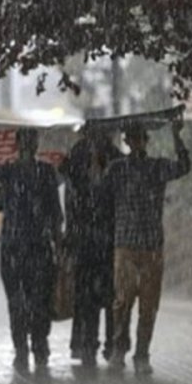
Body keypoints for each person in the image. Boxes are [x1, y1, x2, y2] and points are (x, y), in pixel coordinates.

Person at [0, 128, 63, 373]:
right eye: (25, 142)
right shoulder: (10, 172)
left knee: (38, 301)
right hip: (15, 247)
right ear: (20, 145)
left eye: (31, 141)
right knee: (18, 302)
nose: (28, 146)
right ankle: (23, 349)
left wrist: (58, 242)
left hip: (36, 246)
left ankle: (38, 347)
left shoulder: (44, 172)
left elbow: (54, 212)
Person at [104, 118, 190, 375]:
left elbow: (184, 166)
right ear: (127, 141)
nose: (136, 142)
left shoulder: (157, 167)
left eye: (140, 138)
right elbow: (99, 193)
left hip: (151, 245)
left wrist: (177, 137)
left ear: (145, 140)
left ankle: (142, 353)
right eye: (132, 138)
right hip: (125, 244)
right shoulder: (117, 168)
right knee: (123, 300)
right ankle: (119, 348)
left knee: (148, 305)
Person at [59, 130, 121, 367]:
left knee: (108, 294)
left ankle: (108, 343)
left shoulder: (113, 157)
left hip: (105, 237)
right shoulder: (78, 155)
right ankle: (89, 344)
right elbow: (72, 195)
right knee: (88, 296)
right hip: (87, 238)